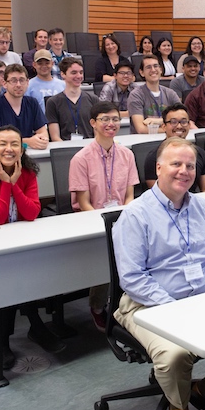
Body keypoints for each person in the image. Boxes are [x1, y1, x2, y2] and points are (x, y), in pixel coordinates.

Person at [113, 137, 205, 410]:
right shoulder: (136, 214)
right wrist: (177, 309)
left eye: (190, 165)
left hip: (203, 299)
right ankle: (178, 409)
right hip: (148, 305)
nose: (184, 171)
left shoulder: (203, 209)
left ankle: (202, 388)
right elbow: (133, 278)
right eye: (176, 164)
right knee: (175, 355)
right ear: (158, 167)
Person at [0, 125, 65, 367]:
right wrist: (6, 183)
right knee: (10, 275)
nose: (9, 149)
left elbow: (32, 212)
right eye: (3, 144)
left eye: (15, 144)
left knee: (26, 269)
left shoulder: (28, 174)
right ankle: (9, 338)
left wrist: (14, 183)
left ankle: (33, 328)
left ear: (22, 150)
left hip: (19, 241)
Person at [68, 101, 139, 330]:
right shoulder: (81, 159)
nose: (111, 124)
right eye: (105, 119)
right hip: (92, 220)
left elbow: (129, 196)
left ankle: (126, 305)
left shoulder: (127, 155)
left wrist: (124, 219)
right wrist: (108, 224)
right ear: (93, 123)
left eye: (115, 119)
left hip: (122, 217)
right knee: (105, 260)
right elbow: (83, 203)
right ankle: (97, 307)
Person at [143, 103, 205, 193]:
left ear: (189, 125)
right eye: (173, 122)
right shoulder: (154, 156)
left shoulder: (199, 153)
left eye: (184, 122)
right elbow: (157, 193)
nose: (179, 126)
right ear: (164, 126)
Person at [0, 64, 47, 148]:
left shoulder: (32, 103)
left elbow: (43, 133)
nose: (18, 85)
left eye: (22, 80)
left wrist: (41, 140)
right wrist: (28, 142)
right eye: (13, 81)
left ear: (27, 82)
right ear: (4, 83)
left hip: (26, 155)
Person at [46, 57, 100, 141]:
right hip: (65, 150)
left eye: (81, 72)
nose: (78, 76)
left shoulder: (93, 99)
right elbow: (55, 137)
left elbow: (98, 133)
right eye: (74, 73)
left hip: (89, 148)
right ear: (63, 74)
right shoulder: (53, 102)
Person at [127, 55, 183, 134]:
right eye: (148, 67)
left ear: (160, 70)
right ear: (142, 72)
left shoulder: (170, 93)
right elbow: (141, 129)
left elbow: (182, 117)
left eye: (156, 66)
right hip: (145, 142)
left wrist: (158, 121)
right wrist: (170, 128)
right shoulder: (136, 95)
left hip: (169, 140)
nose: (153, 70)